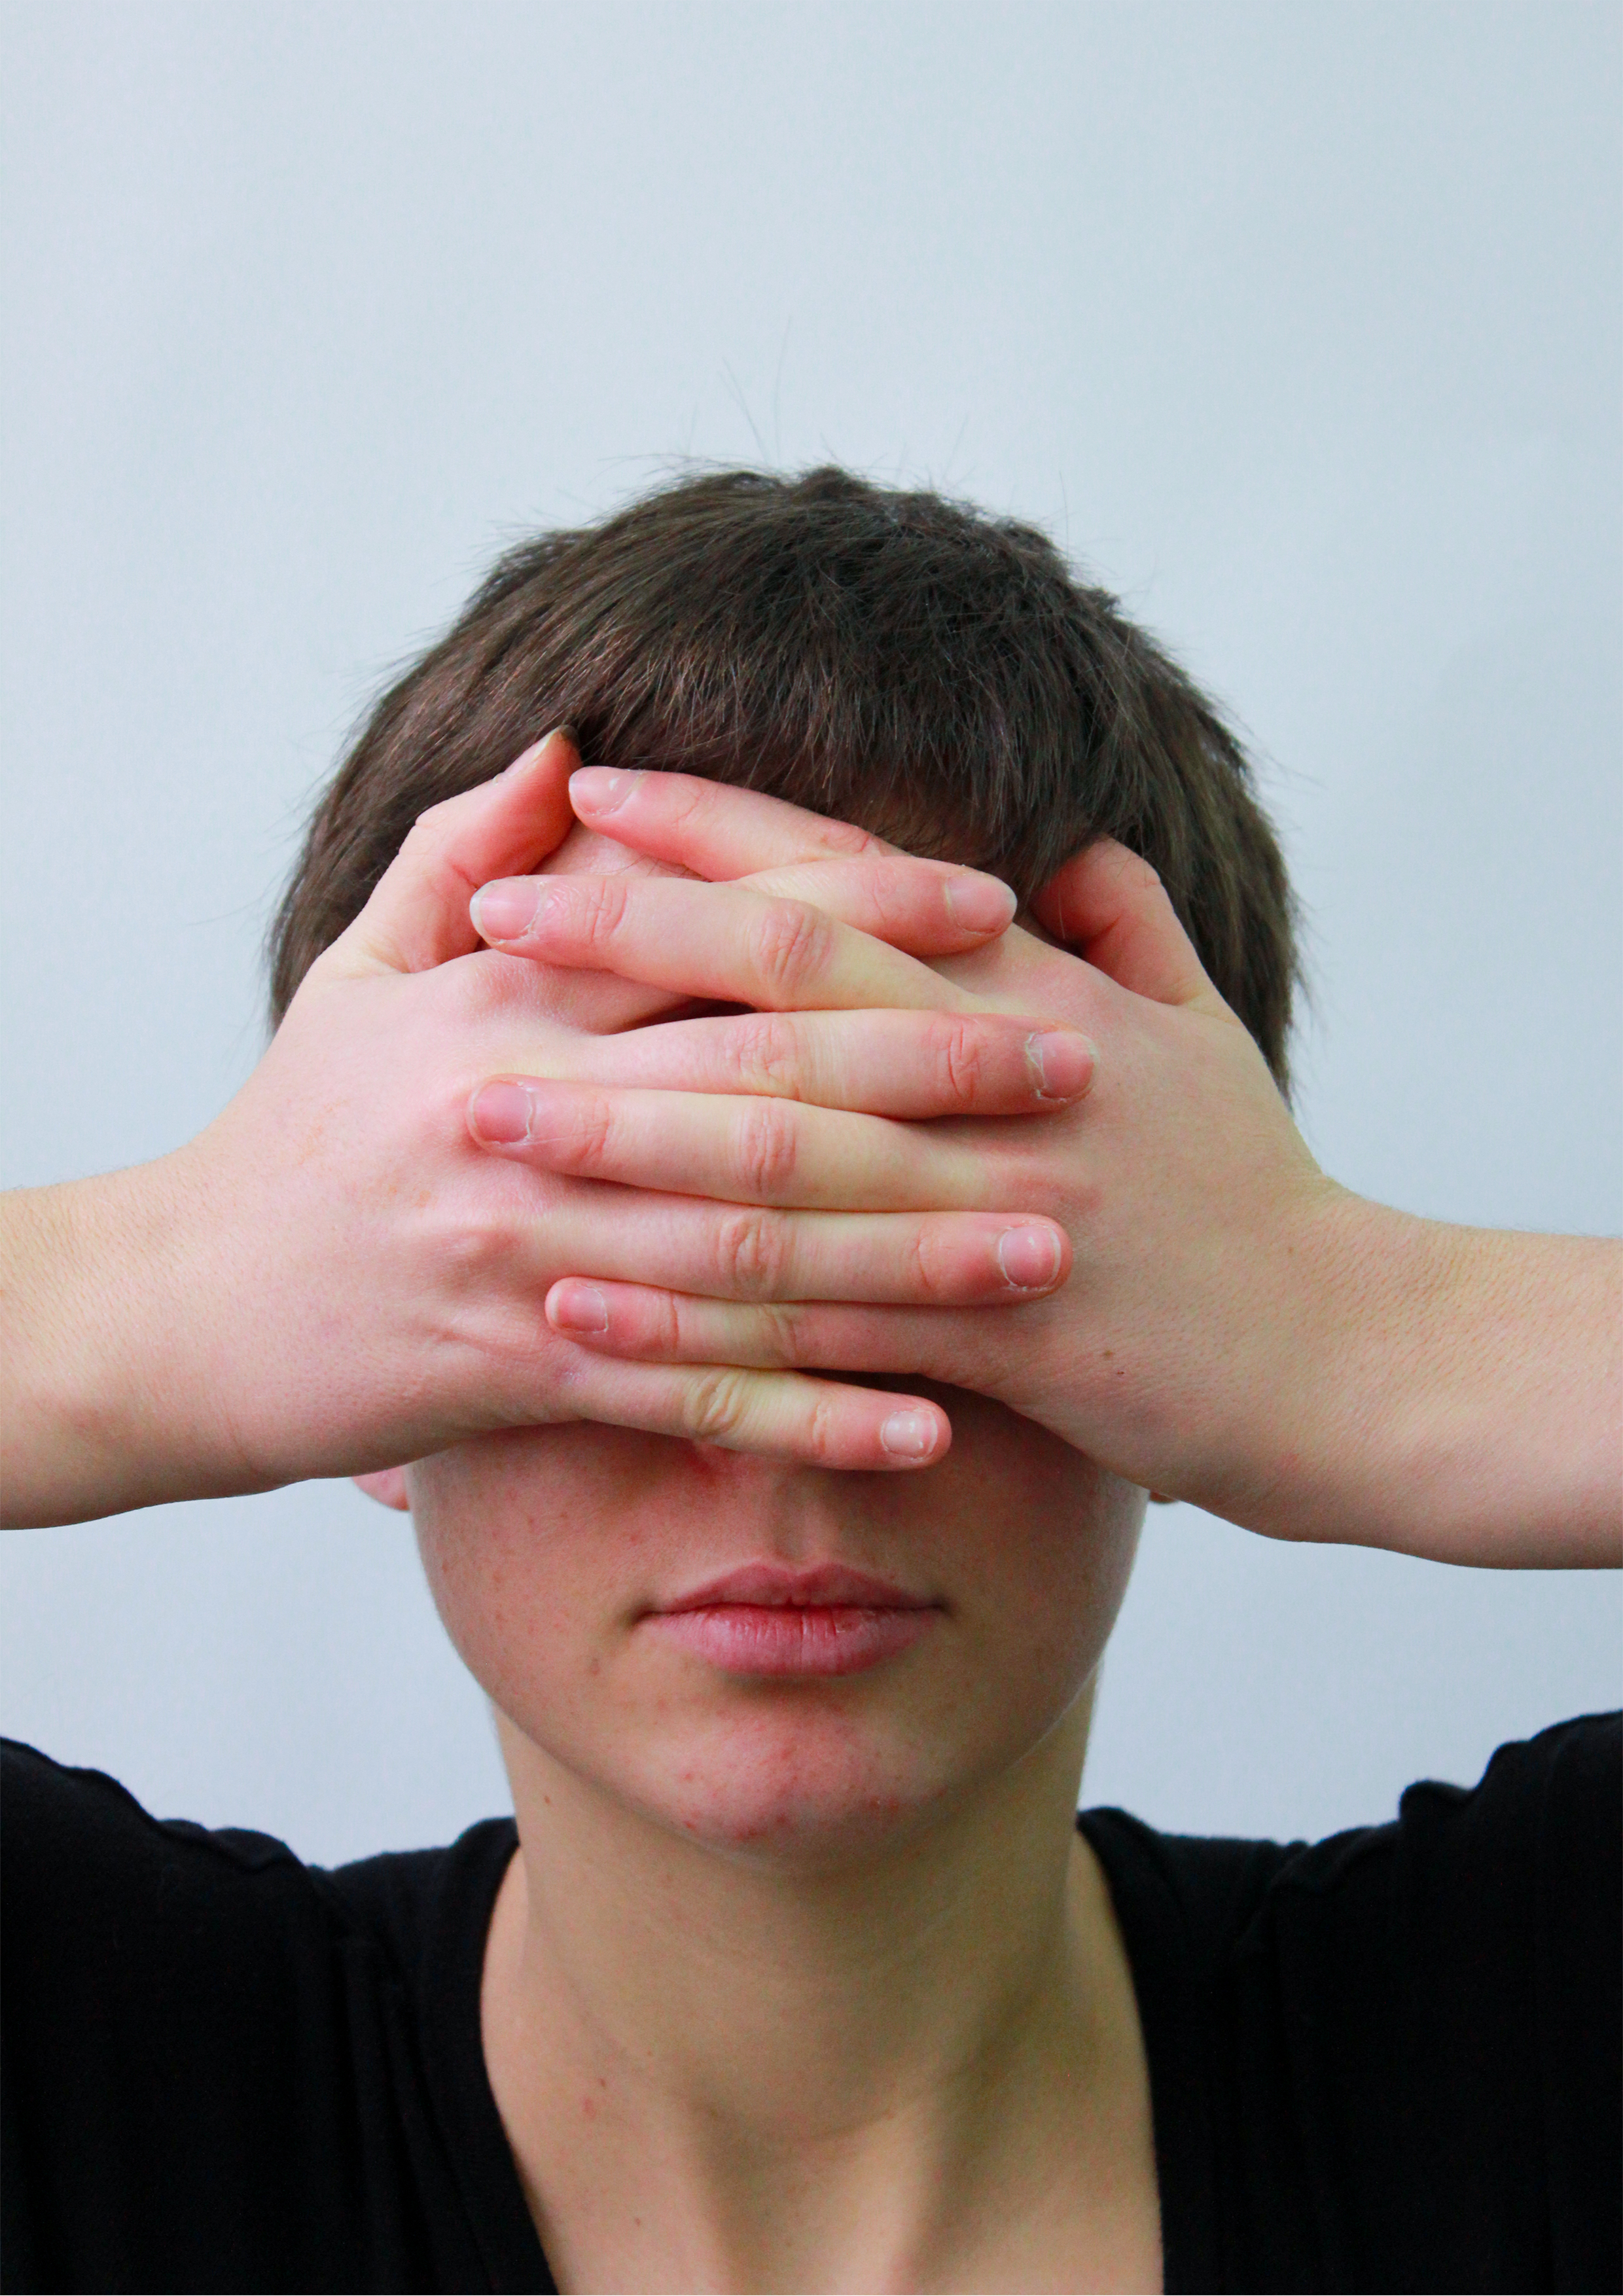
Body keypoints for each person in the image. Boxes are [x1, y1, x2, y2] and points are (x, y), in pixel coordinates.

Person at [2, 469, 1616, 2295]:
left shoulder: (1548, 2044)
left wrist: (1371, 1332)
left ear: (1191, 1328)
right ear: (356, 1338)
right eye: (618, 1219)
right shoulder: (78, 2078)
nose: (791, 1441)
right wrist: (163, 1280)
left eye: (938, 1227)